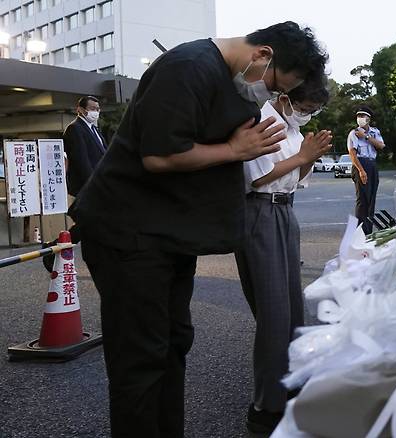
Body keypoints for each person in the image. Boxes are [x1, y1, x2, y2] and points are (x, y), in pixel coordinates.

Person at [68, 22, 328, 438]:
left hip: (169, 233)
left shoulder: (235, 84)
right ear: (263, 55)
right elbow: (158, 156)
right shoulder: (188, 66)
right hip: (127, 230)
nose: (274, 98)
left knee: (173, 344)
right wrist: (234, 150)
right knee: (142, 357)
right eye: (278, 86)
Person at [234, 75, 331, 434]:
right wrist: (304, 156)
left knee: (292, 307)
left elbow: (296, 177)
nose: (307, 115)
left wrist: (309, 158)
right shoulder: (260, 119)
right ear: (287, 98)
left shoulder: (290, 126)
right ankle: (265, 406)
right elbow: (258, 178)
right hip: (259, 210)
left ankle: (291, 383)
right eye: (305, 108)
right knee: (274, 313)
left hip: (284, 209)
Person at [42, 96, 107, 271]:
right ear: (80, 109)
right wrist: (93, 187)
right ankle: (55, 248)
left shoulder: (95, 130)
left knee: (91, 222)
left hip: (99, 185)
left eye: (98, 108)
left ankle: (54, 248)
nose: (96, 112)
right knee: (93, 221)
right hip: (88, 186)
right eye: (92, 108)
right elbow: (81, 161)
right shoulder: (75, 129)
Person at [347, 106, 385, 234]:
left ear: (369, 119)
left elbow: (381, 145)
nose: (360, 118)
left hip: (372, 164)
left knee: (371, 199)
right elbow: (352, 153)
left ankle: (368, 231)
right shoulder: (354, 133)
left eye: (363, 116)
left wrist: (367, 137)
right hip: (360, 164)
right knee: (363, 200)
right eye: (358, 116)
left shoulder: (375, 132)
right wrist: (361, 171)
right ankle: (360, 231)